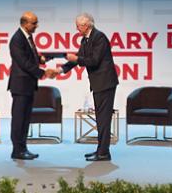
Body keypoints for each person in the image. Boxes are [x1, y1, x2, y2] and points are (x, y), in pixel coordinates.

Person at [60, 13, 119, 161]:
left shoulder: (99, 37)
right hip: (98, 83)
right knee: (100, 118)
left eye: (78, 26)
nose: (76, 28)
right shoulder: (85, 39)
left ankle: (103, 153)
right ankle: (101, 150)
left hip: (105, 83)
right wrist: (61, 70)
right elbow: (79, 58)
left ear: (86, 25)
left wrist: (77, 58)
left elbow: (94, 61)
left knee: (103, 119)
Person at [8, 11, 57, 160]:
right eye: (34, 23)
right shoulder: (17, 39)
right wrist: (43, 73)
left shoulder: (27, 37)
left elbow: (30, 58)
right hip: (20, 86)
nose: (37, 25)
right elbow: (24, 63)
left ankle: (23, 148)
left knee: (25, 119)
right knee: (19, 119)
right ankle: (17, 150)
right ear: (25, 23)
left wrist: (41, 59)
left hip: (28, 85)